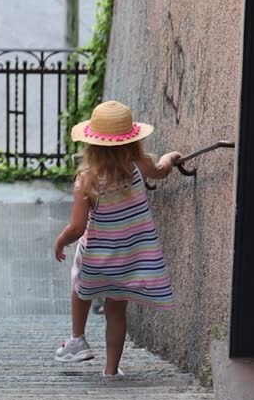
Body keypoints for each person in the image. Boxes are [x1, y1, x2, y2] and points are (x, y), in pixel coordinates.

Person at [53, 100, 181, 376]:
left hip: (98, 256)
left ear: (92, 144)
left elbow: (77, 227)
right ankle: (111, 371)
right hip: (130, 258)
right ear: (131, 140)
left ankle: (77, 340)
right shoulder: (138, 164)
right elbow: (160, 170)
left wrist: (61, 241)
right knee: (116, 311)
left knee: (80, 283)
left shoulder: (87, 180)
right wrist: (170, 160)